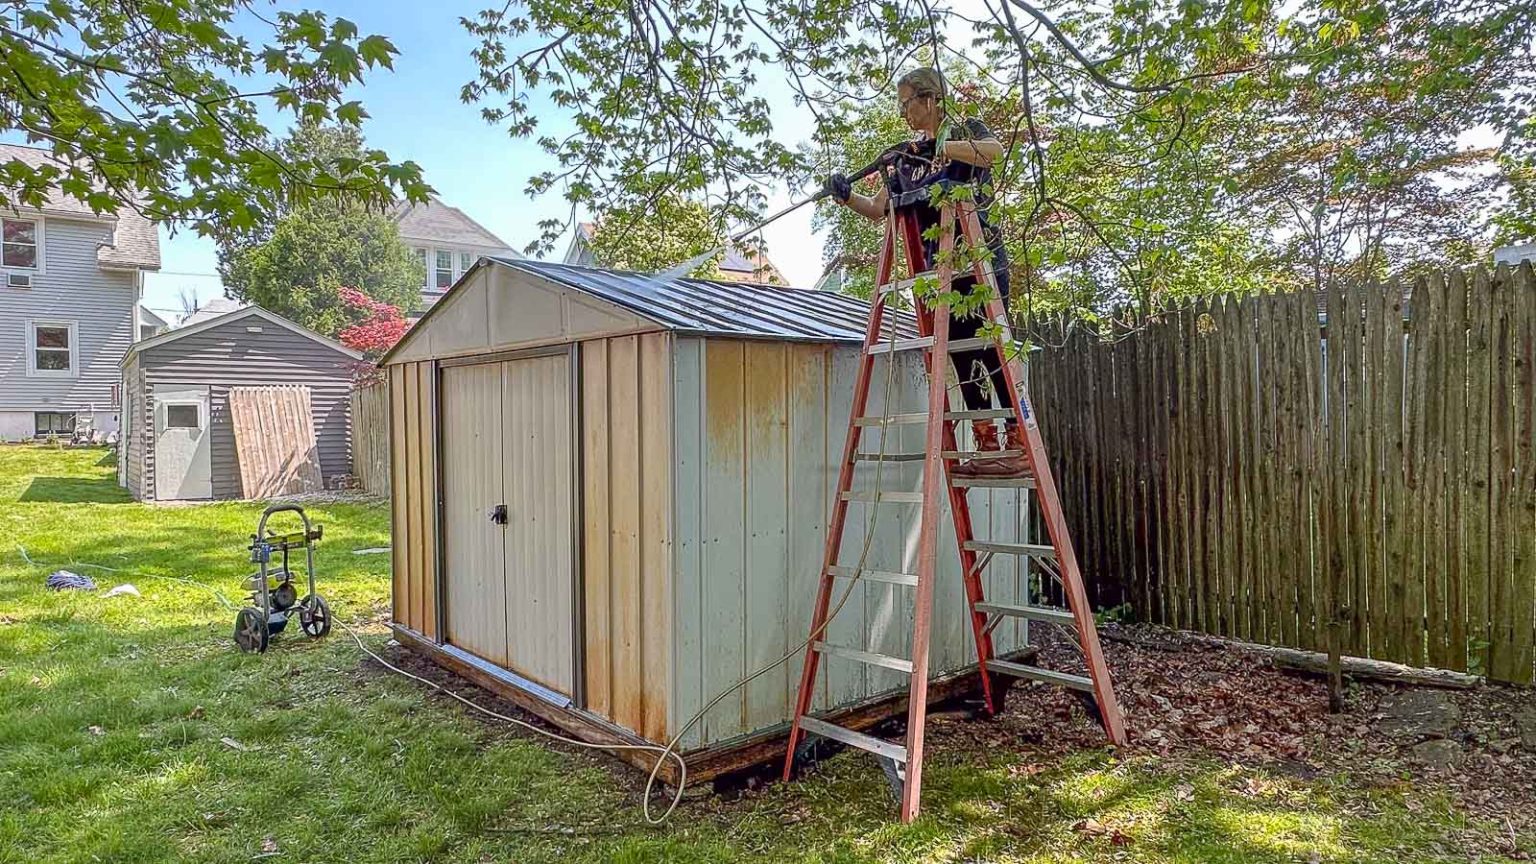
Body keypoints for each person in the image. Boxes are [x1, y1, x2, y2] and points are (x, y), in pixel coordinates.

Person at [824, 67, 1025, 478]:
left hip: (978, 264)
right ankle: (987, 442)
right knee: (961, 353)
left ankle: (1017, 439)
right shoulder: (908, 158)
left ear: (930, 99)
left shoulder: (963, 130)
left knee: (989, 349)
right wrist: (845, 196)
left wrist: (944, 148)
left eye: (907, 103)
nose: (903, 114)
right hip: (940, 274)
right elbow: (879, 210)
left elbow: (994, 150)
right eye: (899, 105)